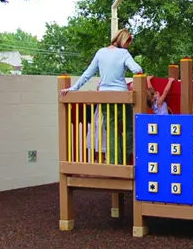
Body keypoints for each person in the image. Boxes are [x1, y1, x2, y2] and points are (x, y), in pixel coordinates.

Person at [60, 29, 142, 165]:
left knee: (111, 130)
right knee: (130, 128)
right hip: (121, 97)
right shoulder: (124, 53)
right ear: (124, 40)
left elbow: (87, 74)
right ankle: (124, 159)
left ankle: (114, 163)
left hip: (105, 97)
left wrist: (73, 88)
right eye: (128, 43)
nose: (128, 46)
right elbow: (137, 69)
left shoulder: (100, 52)